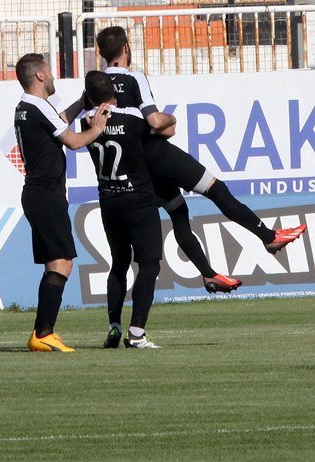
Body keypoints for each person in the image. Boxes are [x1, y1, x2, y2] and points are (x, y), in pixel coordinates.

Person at [63, 26, 306, 294]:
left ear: (101, 54)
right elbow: (156, 122)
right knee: (216, 189)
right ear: (126, 48)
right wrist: (171, 119)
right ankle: (269, 237)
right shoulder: (134, 78)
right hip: (158, 154)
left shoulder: (96, 87)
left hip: (137, 170)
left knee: (178, 213)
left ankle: (209, 274)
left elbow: (64, 118)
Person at [13, 53, 109, 352]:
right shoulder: (38, 106)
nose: (53, 76)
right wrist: (97, 128)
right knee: (62, 262)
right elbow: (73, 141)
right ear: (40, 75)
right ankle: (43, 333)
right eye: (50, 71)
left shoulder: (27, 107)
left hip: (38, 193)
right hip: (45, 194)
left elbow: (59, 122)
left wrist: (82, 102)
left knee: (55, 263)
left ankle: (42, 333)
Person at [82, 71, 166, 349]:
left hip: (109, 200)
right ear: (115, 93)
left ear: (88, 96)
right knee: (149, 264)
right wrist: (171, 118)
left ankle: (114, 327)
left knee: (119, 262)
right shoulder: (133, 117)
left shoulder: (86, 121)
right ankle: (137, 333)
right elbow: (163, 128)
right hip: (138, 198)